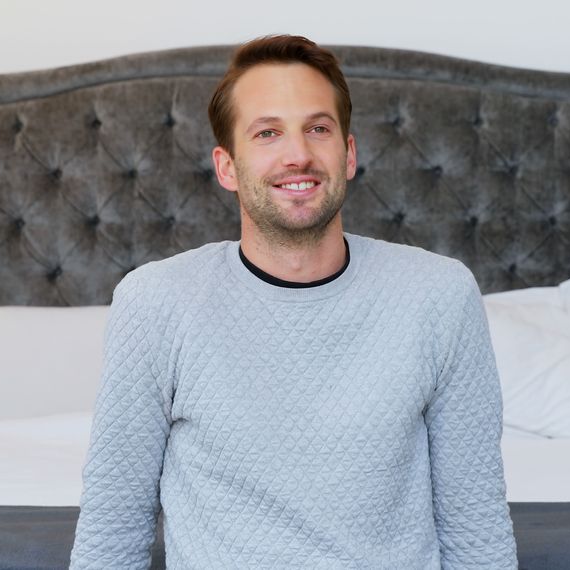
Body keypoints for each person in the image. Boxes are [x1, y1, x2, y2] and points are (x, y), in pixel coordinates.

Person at [70, 35, 517, 569]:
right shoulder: (156, 303)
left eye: (318, 129)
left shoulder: (440, 296)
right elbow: (112, 528)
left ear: (348, 154)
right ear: (227, 166)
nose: (298, 154)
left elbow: (477, 529)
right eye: (267, 133)